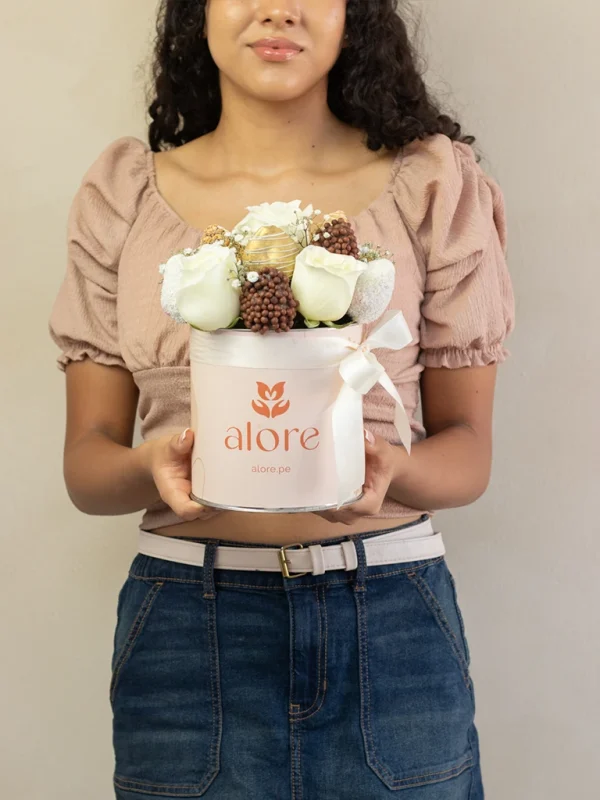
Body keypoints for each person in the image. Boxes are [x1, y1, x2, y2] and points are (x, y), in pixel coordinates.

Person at [48, 1, 515, 798]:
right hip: (185, 627)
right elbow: (88, 468)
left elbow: (469, 450)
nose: (278, 9)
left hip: (391, 618)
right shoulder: (124, 191)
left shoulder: (434, 183)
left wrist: (387, 469)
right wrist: (153, 466)